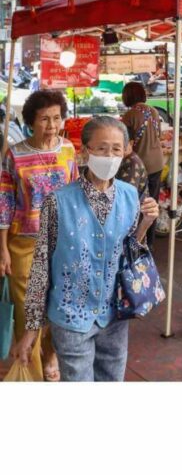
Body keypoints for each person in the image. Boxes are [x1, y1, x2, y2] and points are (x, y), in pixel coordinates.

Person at [10, 116, 159, 381]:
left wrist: (145, 225)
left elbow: (132, 257)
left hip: (115, 316)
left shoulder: (130, 195)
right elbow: (41, 266)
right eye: (101, 148)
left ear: (126, 151)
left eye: (116, 148)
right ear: (85, 150)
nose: (109, 155)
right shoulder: (57, 201)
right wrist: (31, 330)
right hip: (70, 317)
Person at [0, 90, 78, 381]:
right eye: (44, 119)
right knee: (26, 309)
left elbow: (75, 195)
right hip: (24, 244)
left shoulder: (68, 149)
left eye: (57, 118)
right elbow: (5, 202)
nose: (52, 125)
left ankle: (50, 354)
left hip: (62, 242)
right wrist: (3, 249)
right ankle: (29, 374)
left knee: (57, 304)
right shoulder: (14, 154)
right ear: (31, 121)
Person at [121, 82, 165, 246]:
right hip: (158, 162)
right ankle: (150, 243)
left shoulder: (130, 115)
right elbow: (159, 134)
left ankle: (136, 242)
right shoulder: (153, 111)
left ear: (127, 96)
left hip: (139, 166)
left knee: (135, 207)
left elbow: (125, 144)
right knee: (151, 206)